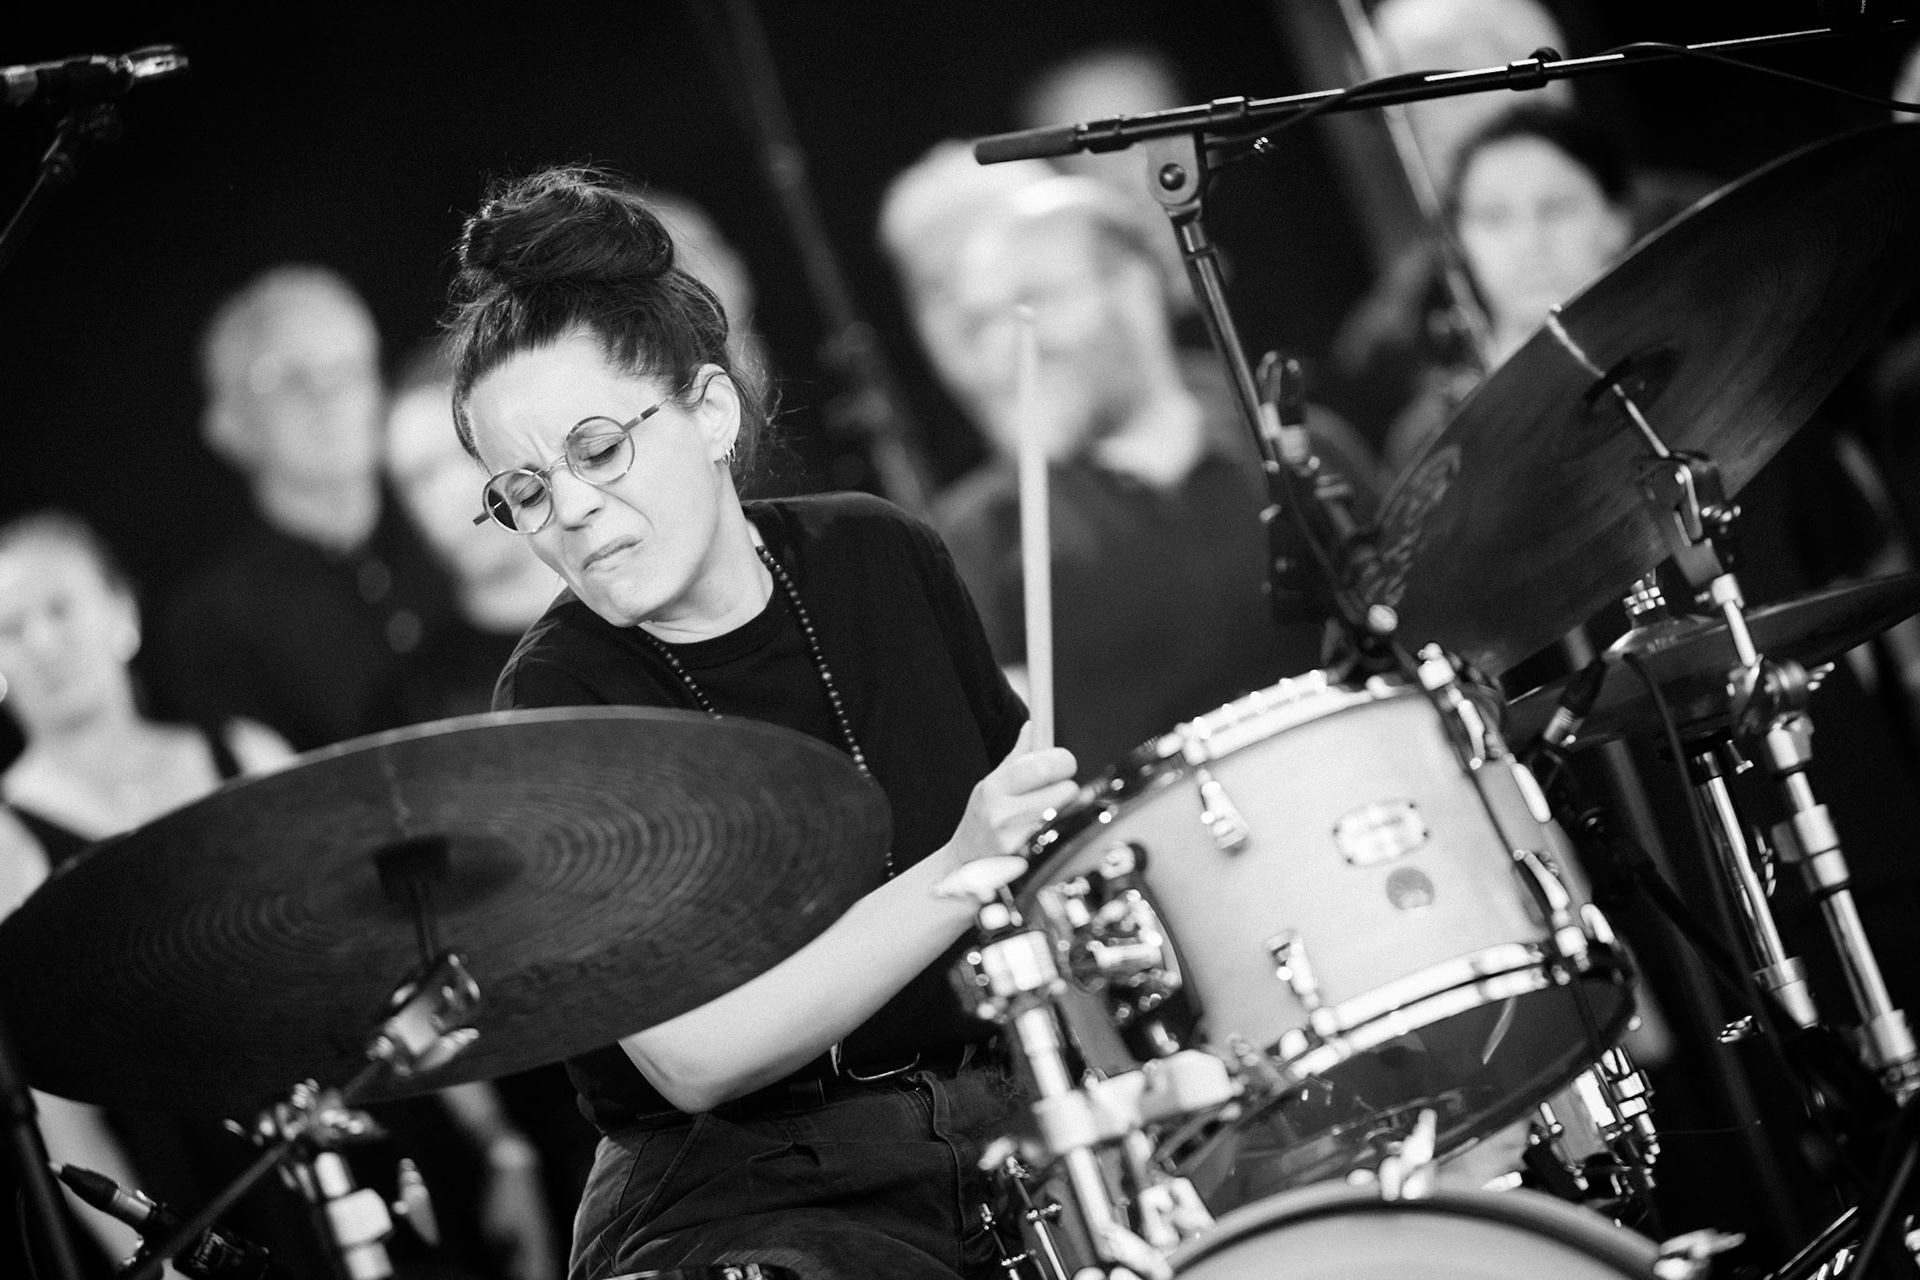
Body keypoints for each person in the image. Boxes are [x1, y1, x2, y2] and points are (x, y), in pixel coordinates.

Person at [445, 165, 1077, 1280]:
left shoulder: (882, 554)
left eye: (595, 450)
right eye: (526, 492)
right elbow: (696, 1054)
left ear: (711, 409)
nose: (571, 510)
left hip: (996, 1132)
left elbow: (1040, 879)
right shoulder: (556, 696)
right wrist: (964, 865)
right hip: (735, 1195)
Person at [892, 169, 1383, 774]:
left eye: (1033, 303)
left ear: (1131, 289)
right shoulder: (980, 540)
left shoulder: (1305, 451)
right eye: (987, 322)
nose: (1009, 349)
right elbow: (1002, 776)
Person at [0, 511, 294, 1278]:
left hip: (337, 1125)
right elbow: (52, 1108)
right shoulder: (4, 834)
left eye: (58, 608)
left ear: (122, 614)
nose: (41, 644)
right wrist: (155, 1257)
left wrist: (499, 1148)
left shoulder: (245, 750)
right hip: (181, 1189)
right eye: (8, 627)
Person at [154, 264, 457, 752]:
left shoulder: (460, 534)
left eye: (347, 368)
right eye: (289, 380)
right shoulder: (214, 624)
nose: (329, 397)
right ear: (227, 424)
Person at [1379, 103, 1634, 476]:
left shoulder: (1688, 359)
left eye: (1557, 209)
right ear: (1459, 242)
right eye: (1494, 217)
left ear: (1617, 222)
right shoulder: (1427, 438)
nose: (1529, 242)